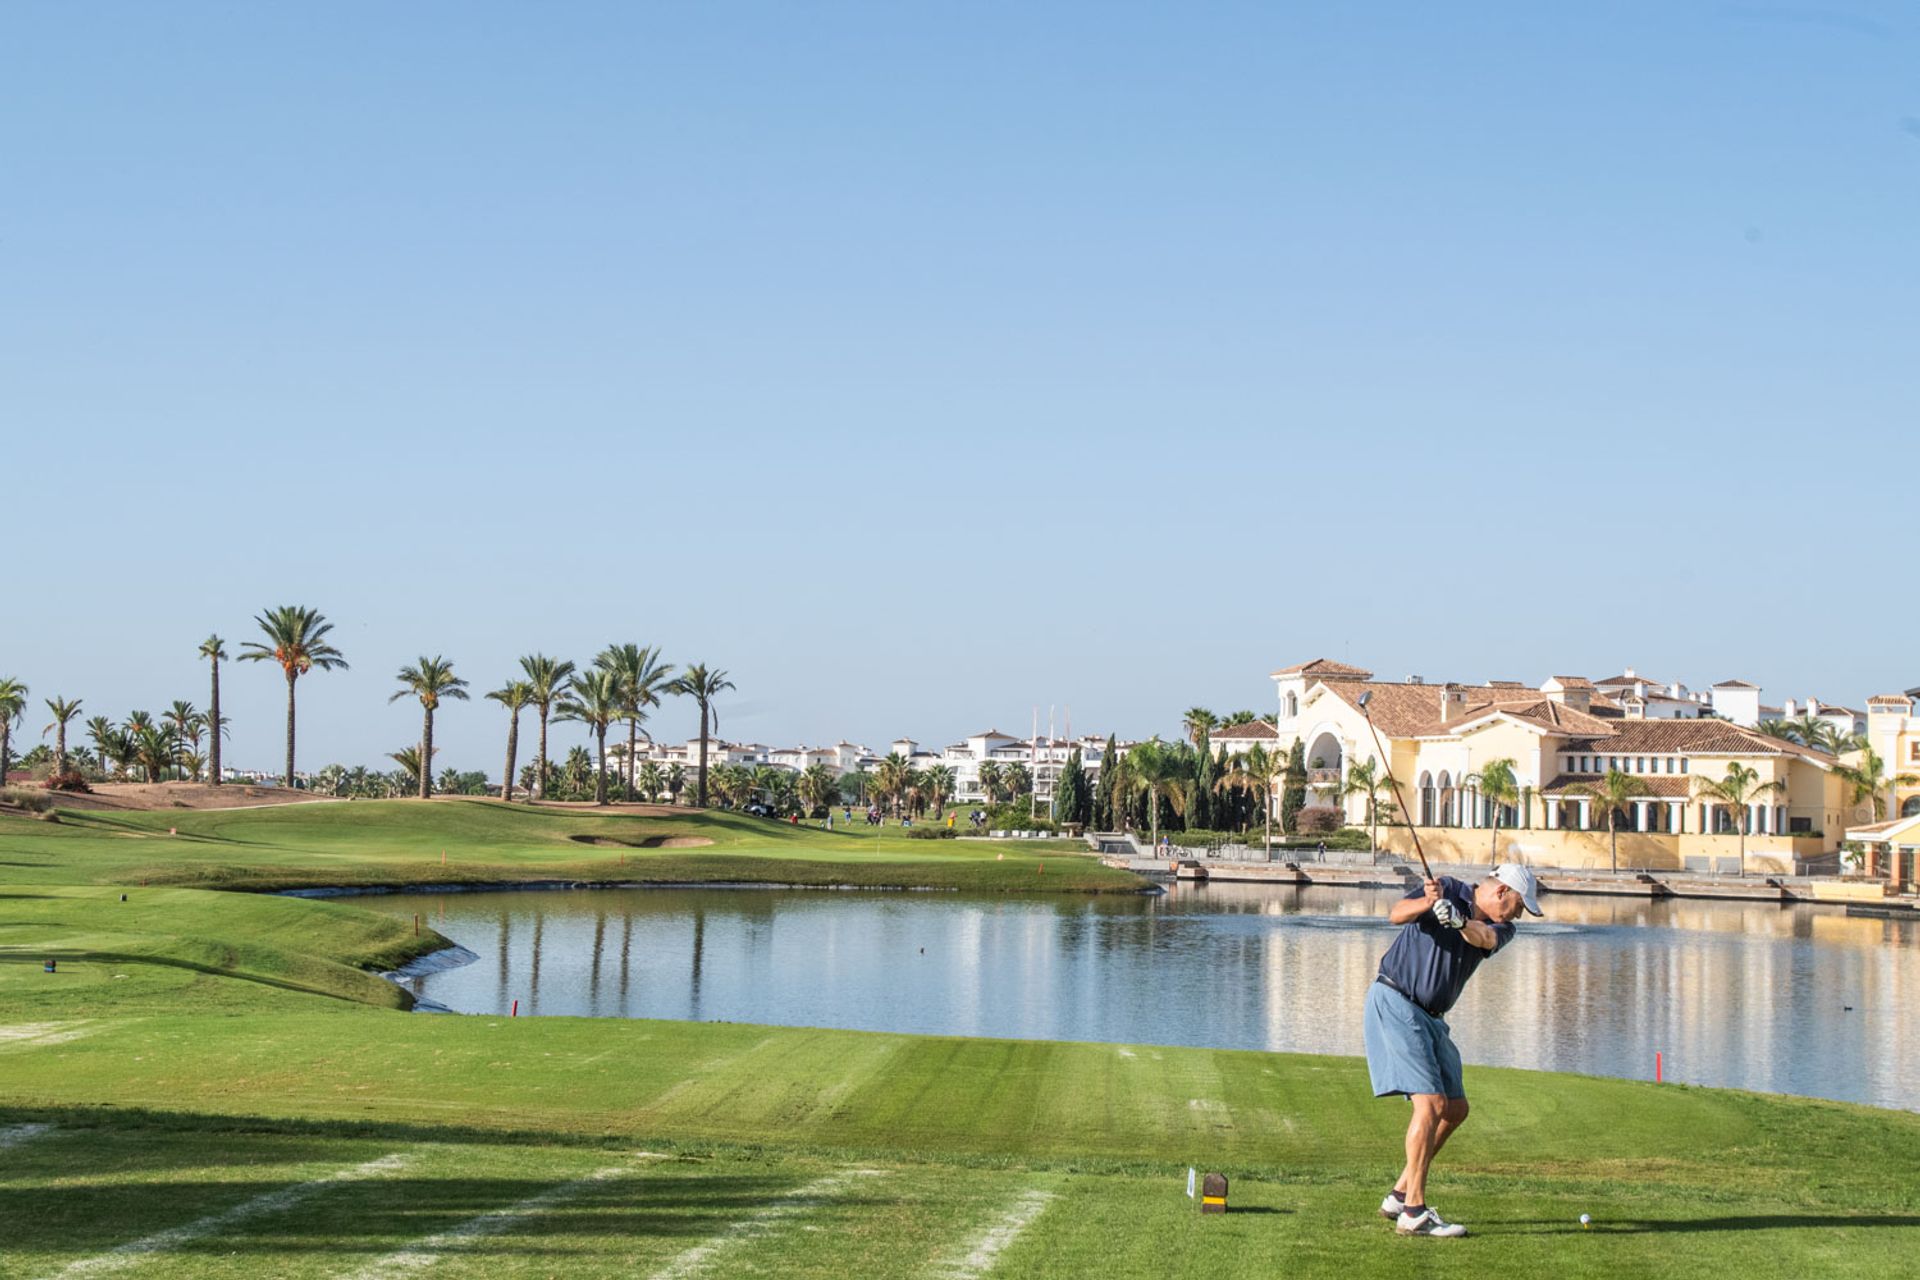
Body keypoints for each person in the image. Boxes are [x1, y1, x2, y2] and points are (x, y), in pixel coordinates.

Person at [1363, 863, 1541, 1239]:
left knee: (1455, 1108)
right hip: (1397, 999)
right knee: (1429, 1105)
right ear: (1501, 892)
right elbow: (1395, 915)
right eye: (1519, 905)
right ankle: (1413, 1211)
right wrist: (1427, 904)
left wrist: (1457, 922)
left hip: (1433, 1017)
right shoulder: (1445, 886)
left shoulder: (1505, 928)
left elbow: (1484, 938)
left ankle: (1399, 1193)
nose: (1519, 915)